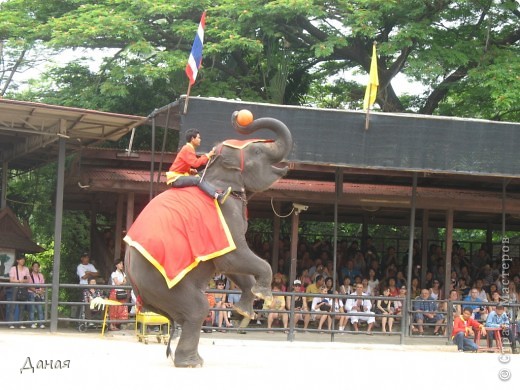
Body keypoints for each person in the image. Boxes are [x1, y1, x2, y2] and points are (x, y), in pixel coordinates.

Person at [166, 128, 231, 204]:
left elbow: (183, 164)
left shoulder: (188, 148)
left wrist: (190, 170)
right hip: (175, 179)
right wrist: (207, 155)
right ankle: (217, 196)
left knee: (200, 175)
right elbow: (195, 163)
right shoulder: (188, 148)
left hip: (179, 176)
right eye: (198, 138)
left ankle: (216, 191)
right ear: (193, 139)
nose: (200, 140)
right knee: (197, 180)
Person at [8, 254, 30, 329]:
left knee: (22, 306)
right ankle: (11, 323)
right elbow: (11, 280)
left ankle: (20, 323)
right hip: (15, 288)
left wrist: (21, 281)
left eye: (23, 259)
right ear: (17, 260)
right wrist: (20, 281)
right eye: (21, 259)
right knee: (13, 306)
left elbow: (27, 279)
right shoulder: (13, 268)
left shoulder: (26, 269)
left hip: (23, 288)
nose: (22, 261)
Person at [108, 259, 129, 331]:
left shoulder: (123, 273)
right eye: (120, 264)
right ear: (116, 265)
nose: (121, 265)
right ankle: (111, 325)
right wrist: (122, 282)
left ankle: (117, 324)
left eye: (122, 264)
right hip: (115, 292)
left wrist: (122, 282)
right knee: (114, 308)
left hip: (122, 292)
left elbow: (125, 281)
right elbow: (117, 283)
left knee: (121, 308)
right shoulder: (114, 273)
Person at [28, 261, 46, 329]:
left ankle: (41, 323)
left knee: (40, 309)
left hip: (39, 293)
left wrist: (41, 291)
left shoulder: (40, 275)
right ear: (32, 267)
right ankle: (31, 323)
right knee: (32, 309)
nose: (36, 268)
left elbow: (43, 284)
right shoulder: (29, 275)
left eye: (37, 266)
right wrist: (35, 291)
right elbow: (29, 285)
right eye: (35, 266)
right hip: (31, 293)